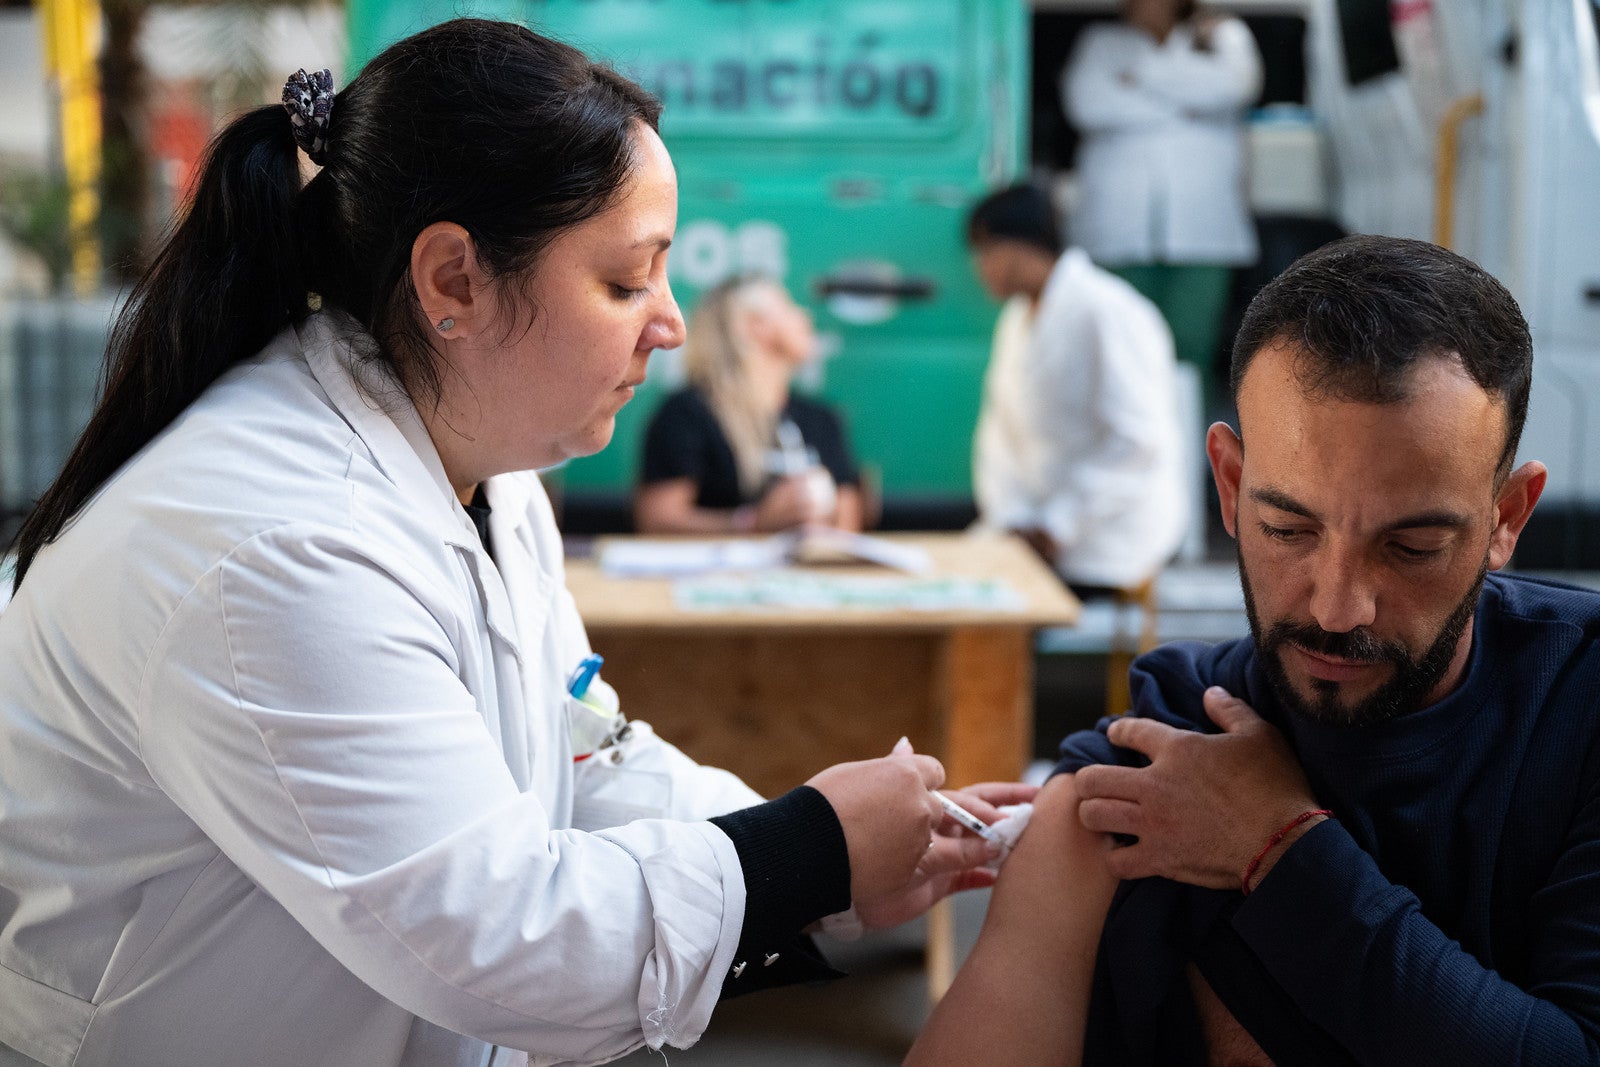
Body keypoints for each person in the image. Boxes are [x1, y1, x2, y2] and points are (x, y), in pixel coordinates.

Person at [0, 21, 1030, 1067]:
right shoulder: (283, 545)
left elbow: (575, 746)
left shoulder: (487, 464)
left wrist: (830, 866)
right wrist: (805, 851)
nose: (669, 323)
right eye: (628, 281)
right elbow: (498, 934)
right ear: (453, 278)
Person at [906, 235, 1600, 1065]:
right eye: (1288, 529)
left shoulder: (1581, 708)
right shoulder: (1148, 767)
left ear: (1508, 517)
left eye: (1412, 546)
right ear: (1229, 486)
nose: (1339, 605)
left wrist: (1281, 847)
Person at [965, 182, 1187, 598]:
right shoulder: (1015, 319)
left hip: (1107, 539)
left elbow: (1137, 442)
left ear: (1018, 246)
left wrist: (1057, 526)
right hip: (1029, 532)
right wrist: (1016, 519)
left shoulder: (1109, 311)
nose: (980, 268)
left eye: (984, 252)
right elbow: (998, 436)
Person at [1062, 0, 1262, 402]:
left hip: (1202, 231)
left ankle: (1187, 458)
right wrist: (1187, 108)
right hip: (1116, 232)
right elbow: (1087, 105)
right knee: (1116, 352)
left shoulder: (1222, 36)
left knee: (1190, 351)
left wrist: (1139, 78)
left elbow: (1235, 87)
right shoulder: (1101, 42)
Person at [635, 275, 864, 534]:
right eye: (789, 307)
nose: (805, 316)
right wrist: (753, 522)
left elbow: (848, 522)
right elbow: (658, 520)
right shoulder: (688, 414)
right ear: (756, 326)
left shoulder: (820, 418)